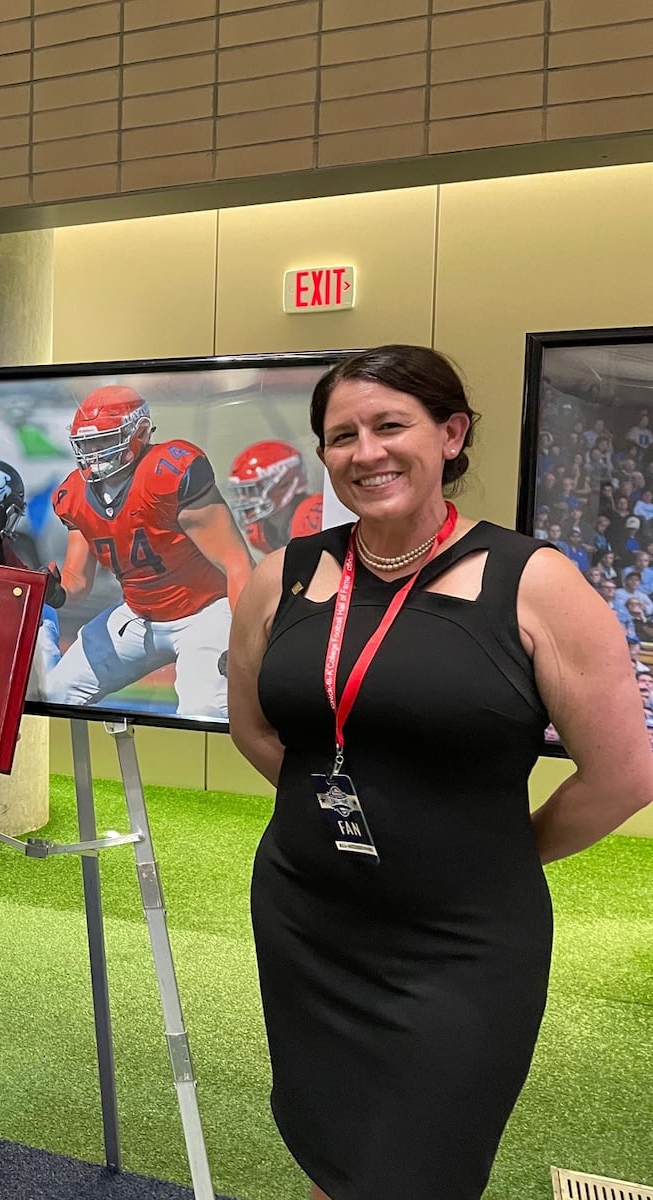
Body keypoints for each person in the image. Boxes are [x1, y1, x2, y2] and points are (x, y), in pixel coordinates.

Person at [226, 344, 652, 1200]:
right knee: (340, 1155)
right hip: (310, 919)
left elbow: (623, 774)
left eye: (392, 425)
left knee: (417, 1169)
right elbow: (257, 727)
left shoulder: (537, 584)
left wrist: (495, 851)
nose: (366, 452)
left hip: (461, 944)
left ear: (451, 434)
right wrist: (345, 813)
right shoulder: (287, 575)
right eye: (342, 435)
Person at [42, 384, 254, 716]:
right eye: (87, 444)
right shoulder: (74, 494)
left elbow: (236, 561)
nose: (93, 454)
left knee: (204, 711)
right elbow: (77, 583)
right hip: (139, 615)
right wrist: (57, 593)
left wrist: (245, 640)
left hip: (206, 613)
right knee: (56, 691)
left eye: (103, 441)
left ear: (138, 434)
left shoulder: (168, 472)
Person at [226, 438, 324, 554]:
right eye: (241, 491)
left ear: (285, 484)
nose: (242, 499)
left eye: (252, 490)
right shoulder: (263, 531)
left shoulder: (315, 515)